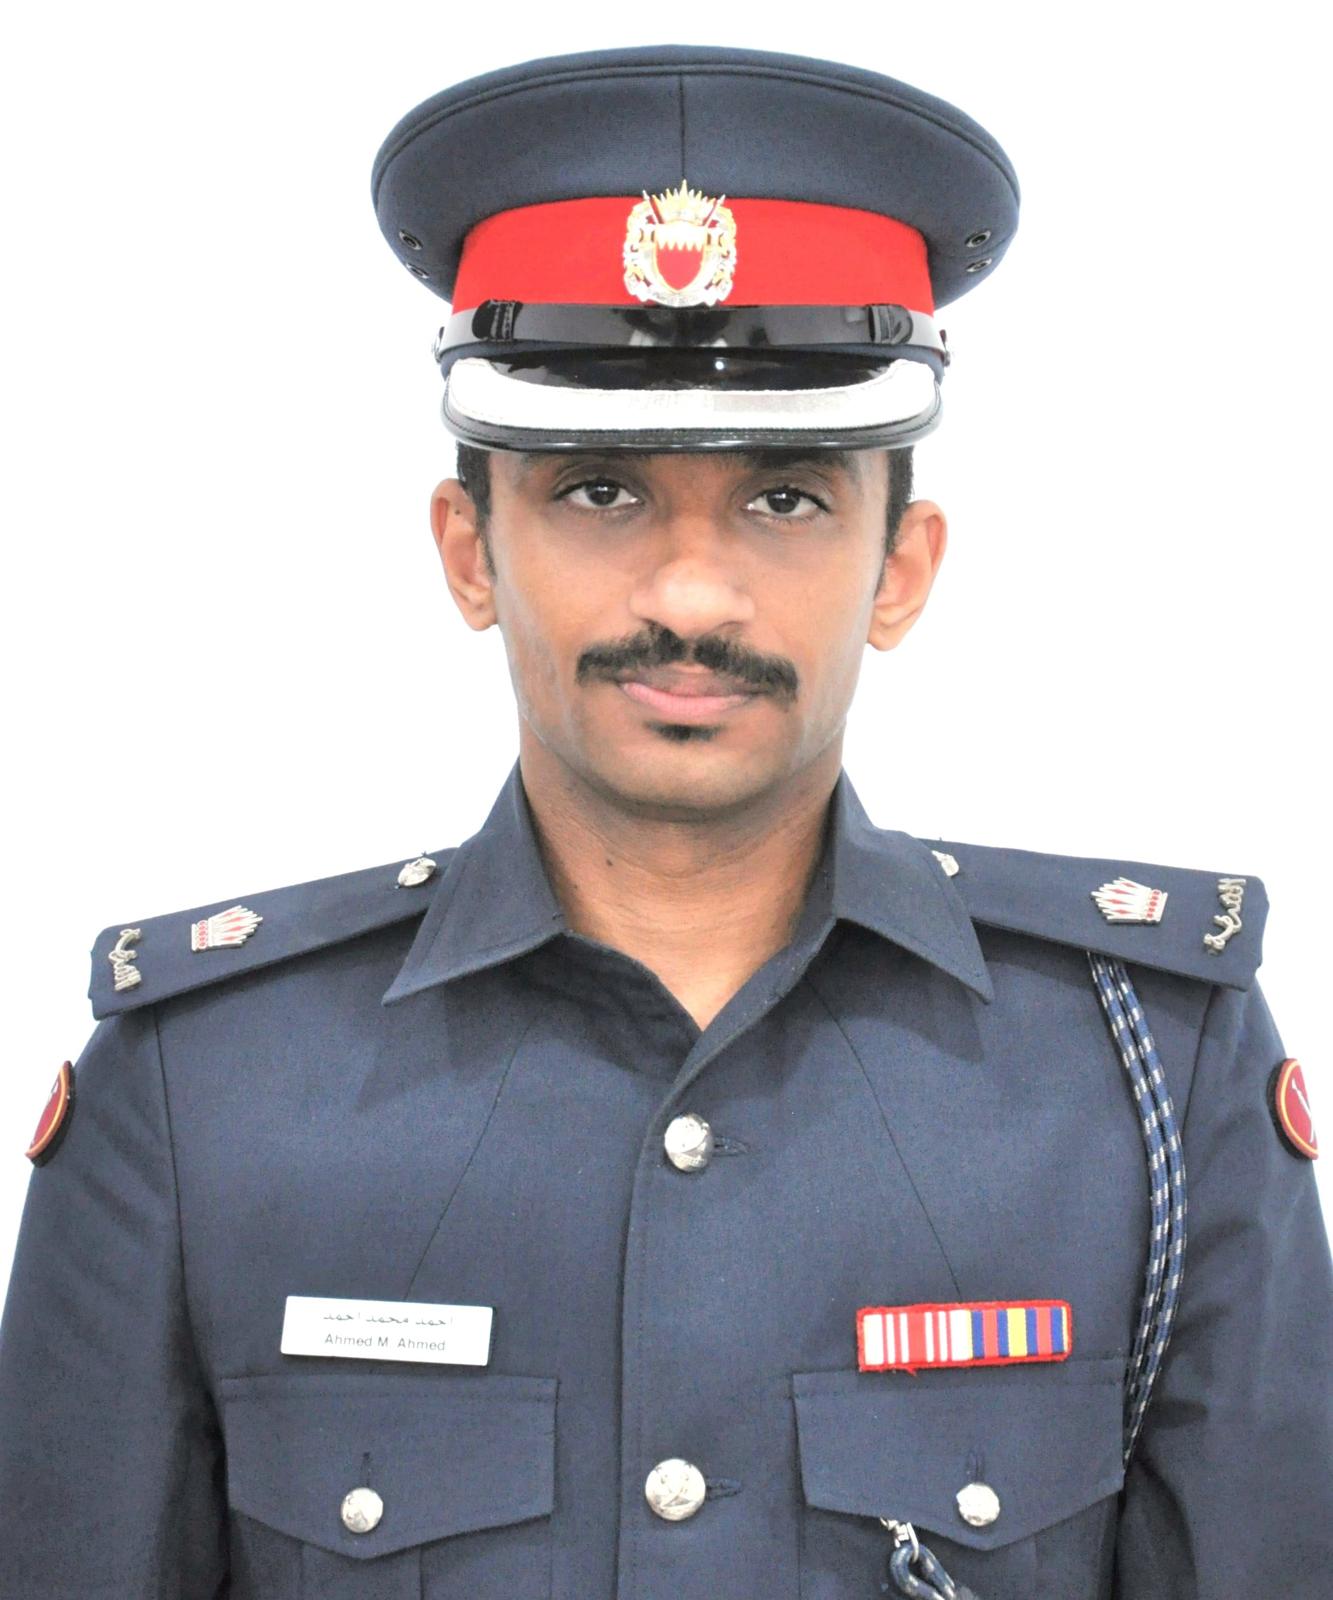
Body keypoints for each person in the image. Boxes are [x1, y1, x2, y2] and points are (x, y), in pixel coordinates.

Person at [1, 42, 1329, 1600]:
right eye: (597, 491)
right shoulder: (201, 1091)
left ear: (899, 568)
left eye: (785, 498)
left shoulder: (1146, 1070)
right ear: (468, 550)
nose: (691, 595)